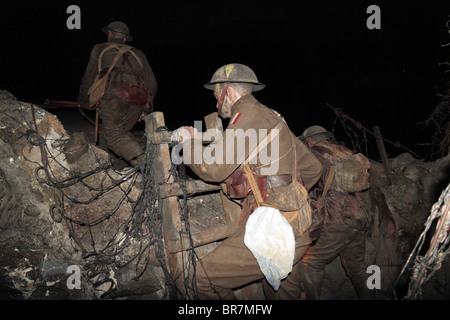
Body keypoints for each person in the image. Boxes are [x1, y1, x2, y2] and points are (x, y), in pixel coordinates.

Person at [175, 63, 323, 299]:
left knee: (199, 279)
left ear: (228, 92)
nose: (216, 104)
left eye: (217, 96)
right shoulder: (272, 116)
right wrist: (287, 192)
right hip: (297, 227)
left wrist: (189, 142)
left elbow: (211, 169)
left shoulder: (246, 114)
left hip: (271, 232)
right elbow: (314, 168)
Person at [300, 125, 375, 299]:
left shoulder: (313, 155)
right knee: (358, 268)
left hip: (335, 220)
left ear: (309, 141)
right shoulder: (347, 152)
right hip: (359, 217)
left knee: (311, 262)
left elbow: (304, 186)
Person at [78, 21, 158, 166]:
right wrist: (145, 109)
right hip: (137, 100)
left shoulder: (100, 48)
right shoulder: (139, 54)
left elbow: (89, 76)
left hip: (113, 96)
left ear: (109, 33)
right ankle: (146, 164)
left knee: (114, 139)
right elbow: (152, 83)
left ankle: (147, 167)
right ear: (125, 38)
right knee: (122, 134)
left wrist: (84, 100)